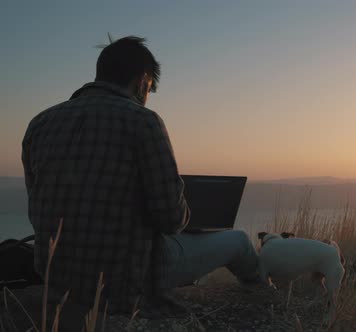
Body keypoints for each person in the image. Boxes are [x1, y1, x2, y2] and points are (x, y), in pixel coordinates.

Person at [21, 36, 259, 317]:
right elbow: (171, 218)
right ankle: (264, 296)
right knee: (240, 241)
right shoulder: (143, 122)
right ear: (143, 82)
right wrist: (185, 212)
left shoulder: (40, 123)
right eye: (149, 89)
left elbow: (37, 204)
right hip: (126, 280)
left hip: (59, 276)